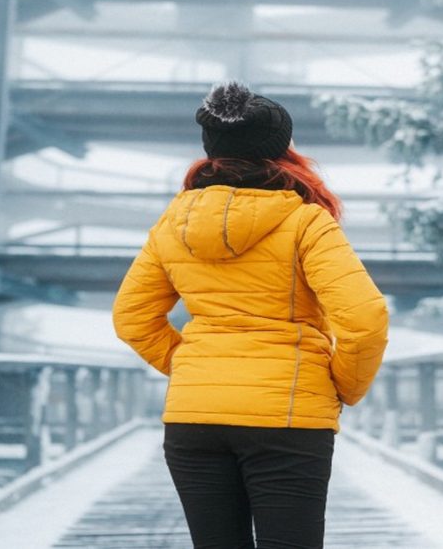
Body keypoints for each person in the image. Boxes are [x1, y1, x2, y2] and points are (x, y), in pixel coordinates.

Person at [111, 80, 390, 549]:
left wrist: (193, 369)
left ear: (210, 149)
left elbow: (131, 317)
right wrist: (341, 385)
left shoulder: (173, 222)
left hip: (193, 421)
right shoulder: (305, 221)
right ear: (281, 151)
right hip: (287, 420)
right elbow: (365, 319)